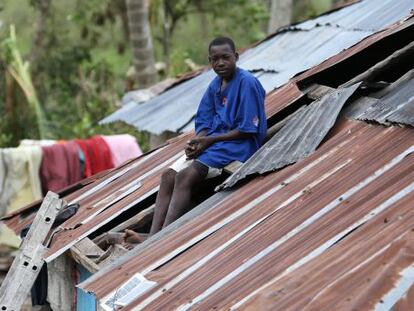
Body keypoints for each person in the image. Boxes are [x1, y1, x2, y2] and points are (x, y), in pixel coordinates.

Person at [123, 37, 267, 246]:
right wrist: (197, 142)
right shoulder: (215, 85)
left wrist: (208, 141)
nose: (220, 63)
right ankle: (152, 237)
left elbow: (247, 129)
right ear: (210, 61)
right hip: (214, 143)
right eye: (215, 59)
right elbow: (203, 120)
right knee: (168, 175)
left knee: (186, 175)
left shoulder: (247, 83)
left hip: (239, 145)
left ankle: (159, 241)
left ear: (236, 57)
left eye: (226, 57)